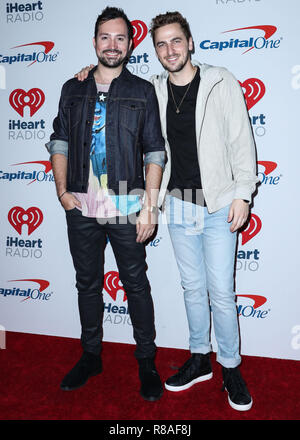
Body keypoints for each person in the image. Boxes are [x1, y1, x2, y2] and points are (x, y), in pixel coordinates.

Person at [76, 11, 259, 411]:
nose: (170, 50)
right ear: (154, 50)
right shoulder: (152, 89)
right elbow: (114, 84)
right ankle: (199, 359)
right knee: (192, 290)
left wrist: (243, 194)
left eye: (176, 41)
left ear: (190, 42)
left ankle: (230, 367)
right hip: (177, 205)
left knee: (222, 294)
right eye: (161, 44)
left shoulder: (219, 81)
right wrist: (90, 72)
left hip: (219, 205)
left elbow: (242, 142)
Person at [45, 6, 166, 402]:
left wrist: (149, 207)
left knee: (136, 284)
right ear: (94, 41)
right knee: (87, 284)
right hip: (80, 205)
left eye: (120, 38)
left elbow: (154, 151)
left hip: (127, 206)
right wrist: (63, 193)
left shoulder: (142, 90)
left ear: (130, 44)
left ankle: (146, 361)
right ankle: (91, 355)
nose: (112, 45)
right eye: (104, 37)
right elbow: (59, 141)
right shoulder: (72, 87)